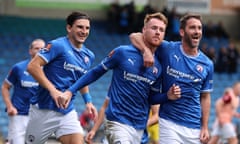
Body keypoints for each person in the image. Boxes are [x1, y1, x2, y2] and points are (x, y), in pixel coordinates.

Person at [59, 12, 181, 143]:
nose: (157, 32)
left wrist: (167, 96)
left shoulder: (159, 65)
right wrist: (70, 91)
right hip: (117, 123)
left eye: (161, 30)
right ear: (144, 30)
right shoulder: (122, 52)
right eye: (154, 28)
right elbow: (95, 72)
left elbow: (152, 98)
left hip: (140, 129)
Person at [129, 13, 214, 144]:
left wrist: (205, 127)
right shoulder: (168, 49)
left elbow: (205, 97)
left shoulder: (207, 64)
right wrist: (145, 51)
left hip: (194, 126)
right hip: (169, 123)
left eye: (199, 28)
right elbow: (135, 36)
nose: (197, 31)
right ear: (182, 32)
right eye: (192, 28)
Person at [25, 12, 98, 144]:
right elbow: (32, 66)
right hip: (43, 109)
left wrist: (88, 101)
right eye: (80, 27)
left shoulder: (89, 56)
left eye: (87, 28)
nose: (84, 31)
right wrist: (53, 91)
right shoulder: (58, 45)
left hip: (67, 111)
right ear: (69, 28)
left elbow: (82, 79)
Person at [1, 39, 45, 144]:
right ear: (30, 51)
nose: (39, 51)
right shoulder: (19, 68)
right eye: (36, 48)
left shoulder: (49, 70)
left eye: (42, 49)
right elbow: (5, 87)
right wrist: (10, 106)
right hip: (19, 115)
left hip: (38, 116)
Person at [84, 99, 160, 144]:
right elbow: (104, 107)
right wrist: (94, 130)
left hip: (138, 136)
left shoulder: (150, 82)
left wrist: (140, 125)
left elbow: (156, 115)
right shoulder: (118, 79)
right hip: (116, 130)